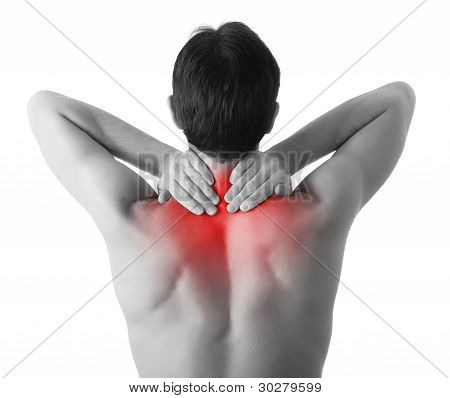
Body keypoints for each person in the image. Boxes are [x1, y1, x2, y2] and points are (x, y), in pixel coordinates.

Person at [28, 22, 415, 377]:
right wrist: (284, 155)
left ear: (175, 111)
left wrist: (165, 161)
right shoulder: (317, 209)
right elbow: (397, 100)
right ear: (272, 116)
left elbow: (45, 107)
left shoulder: (132, 214)